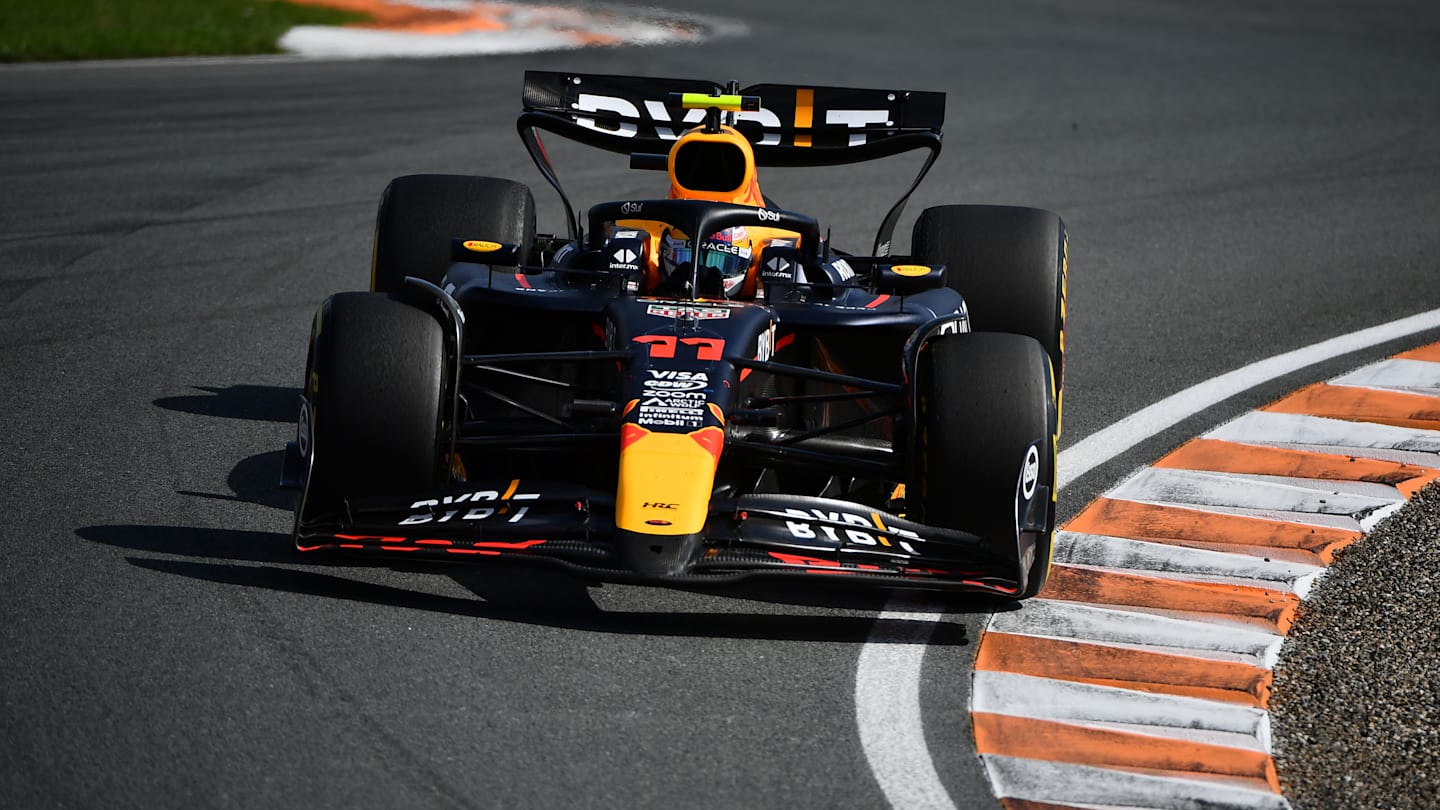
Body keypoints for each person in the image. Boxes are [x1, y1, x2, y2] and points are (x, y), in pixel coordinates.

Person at [615, 120, 798, 300]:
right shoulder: (647, 234)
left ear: (749, 260)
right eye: (685, 260)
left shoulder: (778, 238)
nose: (699, 275)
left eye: (719, 262)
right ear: (662, 252)